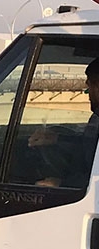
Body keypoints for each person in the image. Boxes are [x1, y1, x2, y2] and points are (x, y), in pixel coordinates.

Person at [27, 57, 99, 187]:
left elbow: (95, 180)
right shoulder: (96, 118)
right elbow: (89, 144)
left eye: (90, 87)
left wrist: (62, 184)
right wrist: (56, 139)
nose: (88, 95)